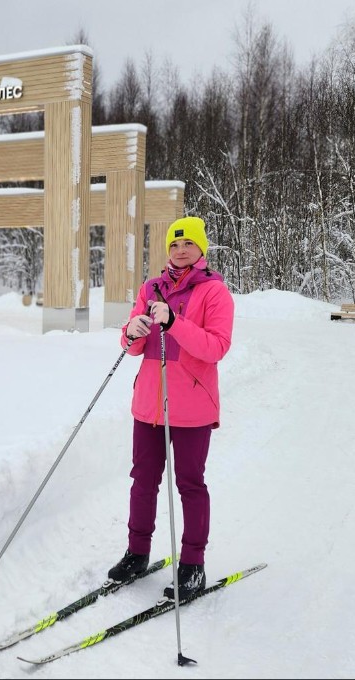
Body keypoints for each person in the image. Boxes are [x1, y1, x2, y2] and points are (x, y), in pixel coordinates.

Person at [107, 216, 235, 601]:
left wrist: (175, 322)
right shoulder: (151, 288)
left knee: (190, 484)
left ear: (201, 250)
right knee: (143, 480)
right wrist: (132, 332)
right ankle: (137, 552)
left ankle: (193, 564)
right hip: (149, 404)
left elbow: (216, 347)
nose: (181, 251)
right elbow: (130, 346)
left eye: (188, 245)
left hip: (192, 407)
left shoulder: (214, 292)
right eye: (175, 245)